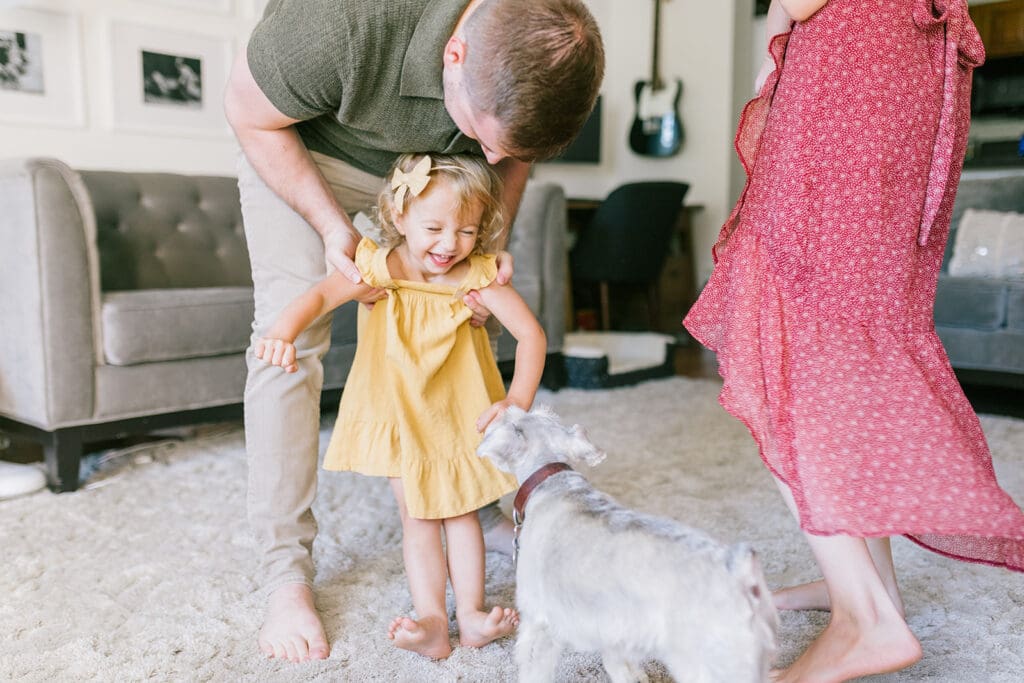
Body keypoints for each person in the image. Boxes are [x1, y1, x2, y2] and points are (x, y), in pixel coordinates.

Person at [222, 0, 603, 662]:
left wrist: (490, 234)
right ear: (452, 55)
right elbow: (250, 114)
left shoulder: (544, 39)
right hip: (305, 147)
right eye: (484, 134)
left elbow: (508, 153)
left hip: (440, 183)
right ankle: (285, 573)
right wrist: (334, 228)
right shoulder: (338, 23)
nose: (492, 153)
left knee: (459, 326)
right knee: (293, 340)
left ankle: (464, 495)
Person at [684, 1, 1024, 681]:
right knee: (849, 330)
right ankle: (874, 589)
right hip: (903, 66)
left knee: (790, 330)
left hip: (854, 65)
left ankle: (864, 616)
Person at [255, 153, 546, 659]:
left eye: (467, 231)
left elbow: (531, 336)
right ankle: (433, 619)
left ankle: (473, 615)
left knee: (461, 515)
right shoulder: (376, 268)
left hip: (461, 414)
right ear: (399, 217)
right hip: (401, 417)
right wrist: (281, 332)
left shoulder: (476, 276)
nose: (448, 244)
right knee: (418, 518)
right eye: (433, 227)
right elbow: (319, 298)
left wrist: (516, 400)